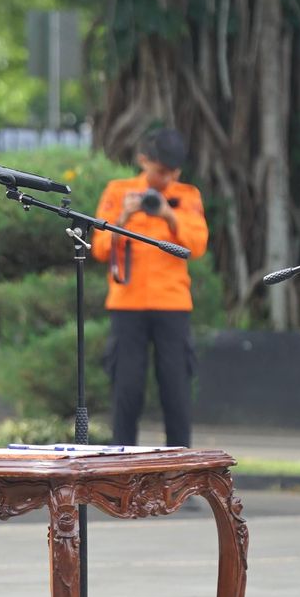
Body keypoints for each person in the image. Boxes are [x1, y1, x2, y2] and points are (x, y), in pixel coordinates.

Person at [89, 128, 210, 447]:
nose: (167, 178)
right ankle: (120, 476)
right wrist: (125, 216)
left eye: (174, 172)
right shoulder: (119, 192)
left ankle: (179, 475)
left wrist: (170, 215)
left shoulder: (187, 195)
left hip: (172, 305)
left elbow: (197, 246)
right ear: (143, 161)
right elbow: (99, 248)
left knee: (177, 391)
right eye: (161, 171)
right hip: (127, 304)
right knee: (126, 391)